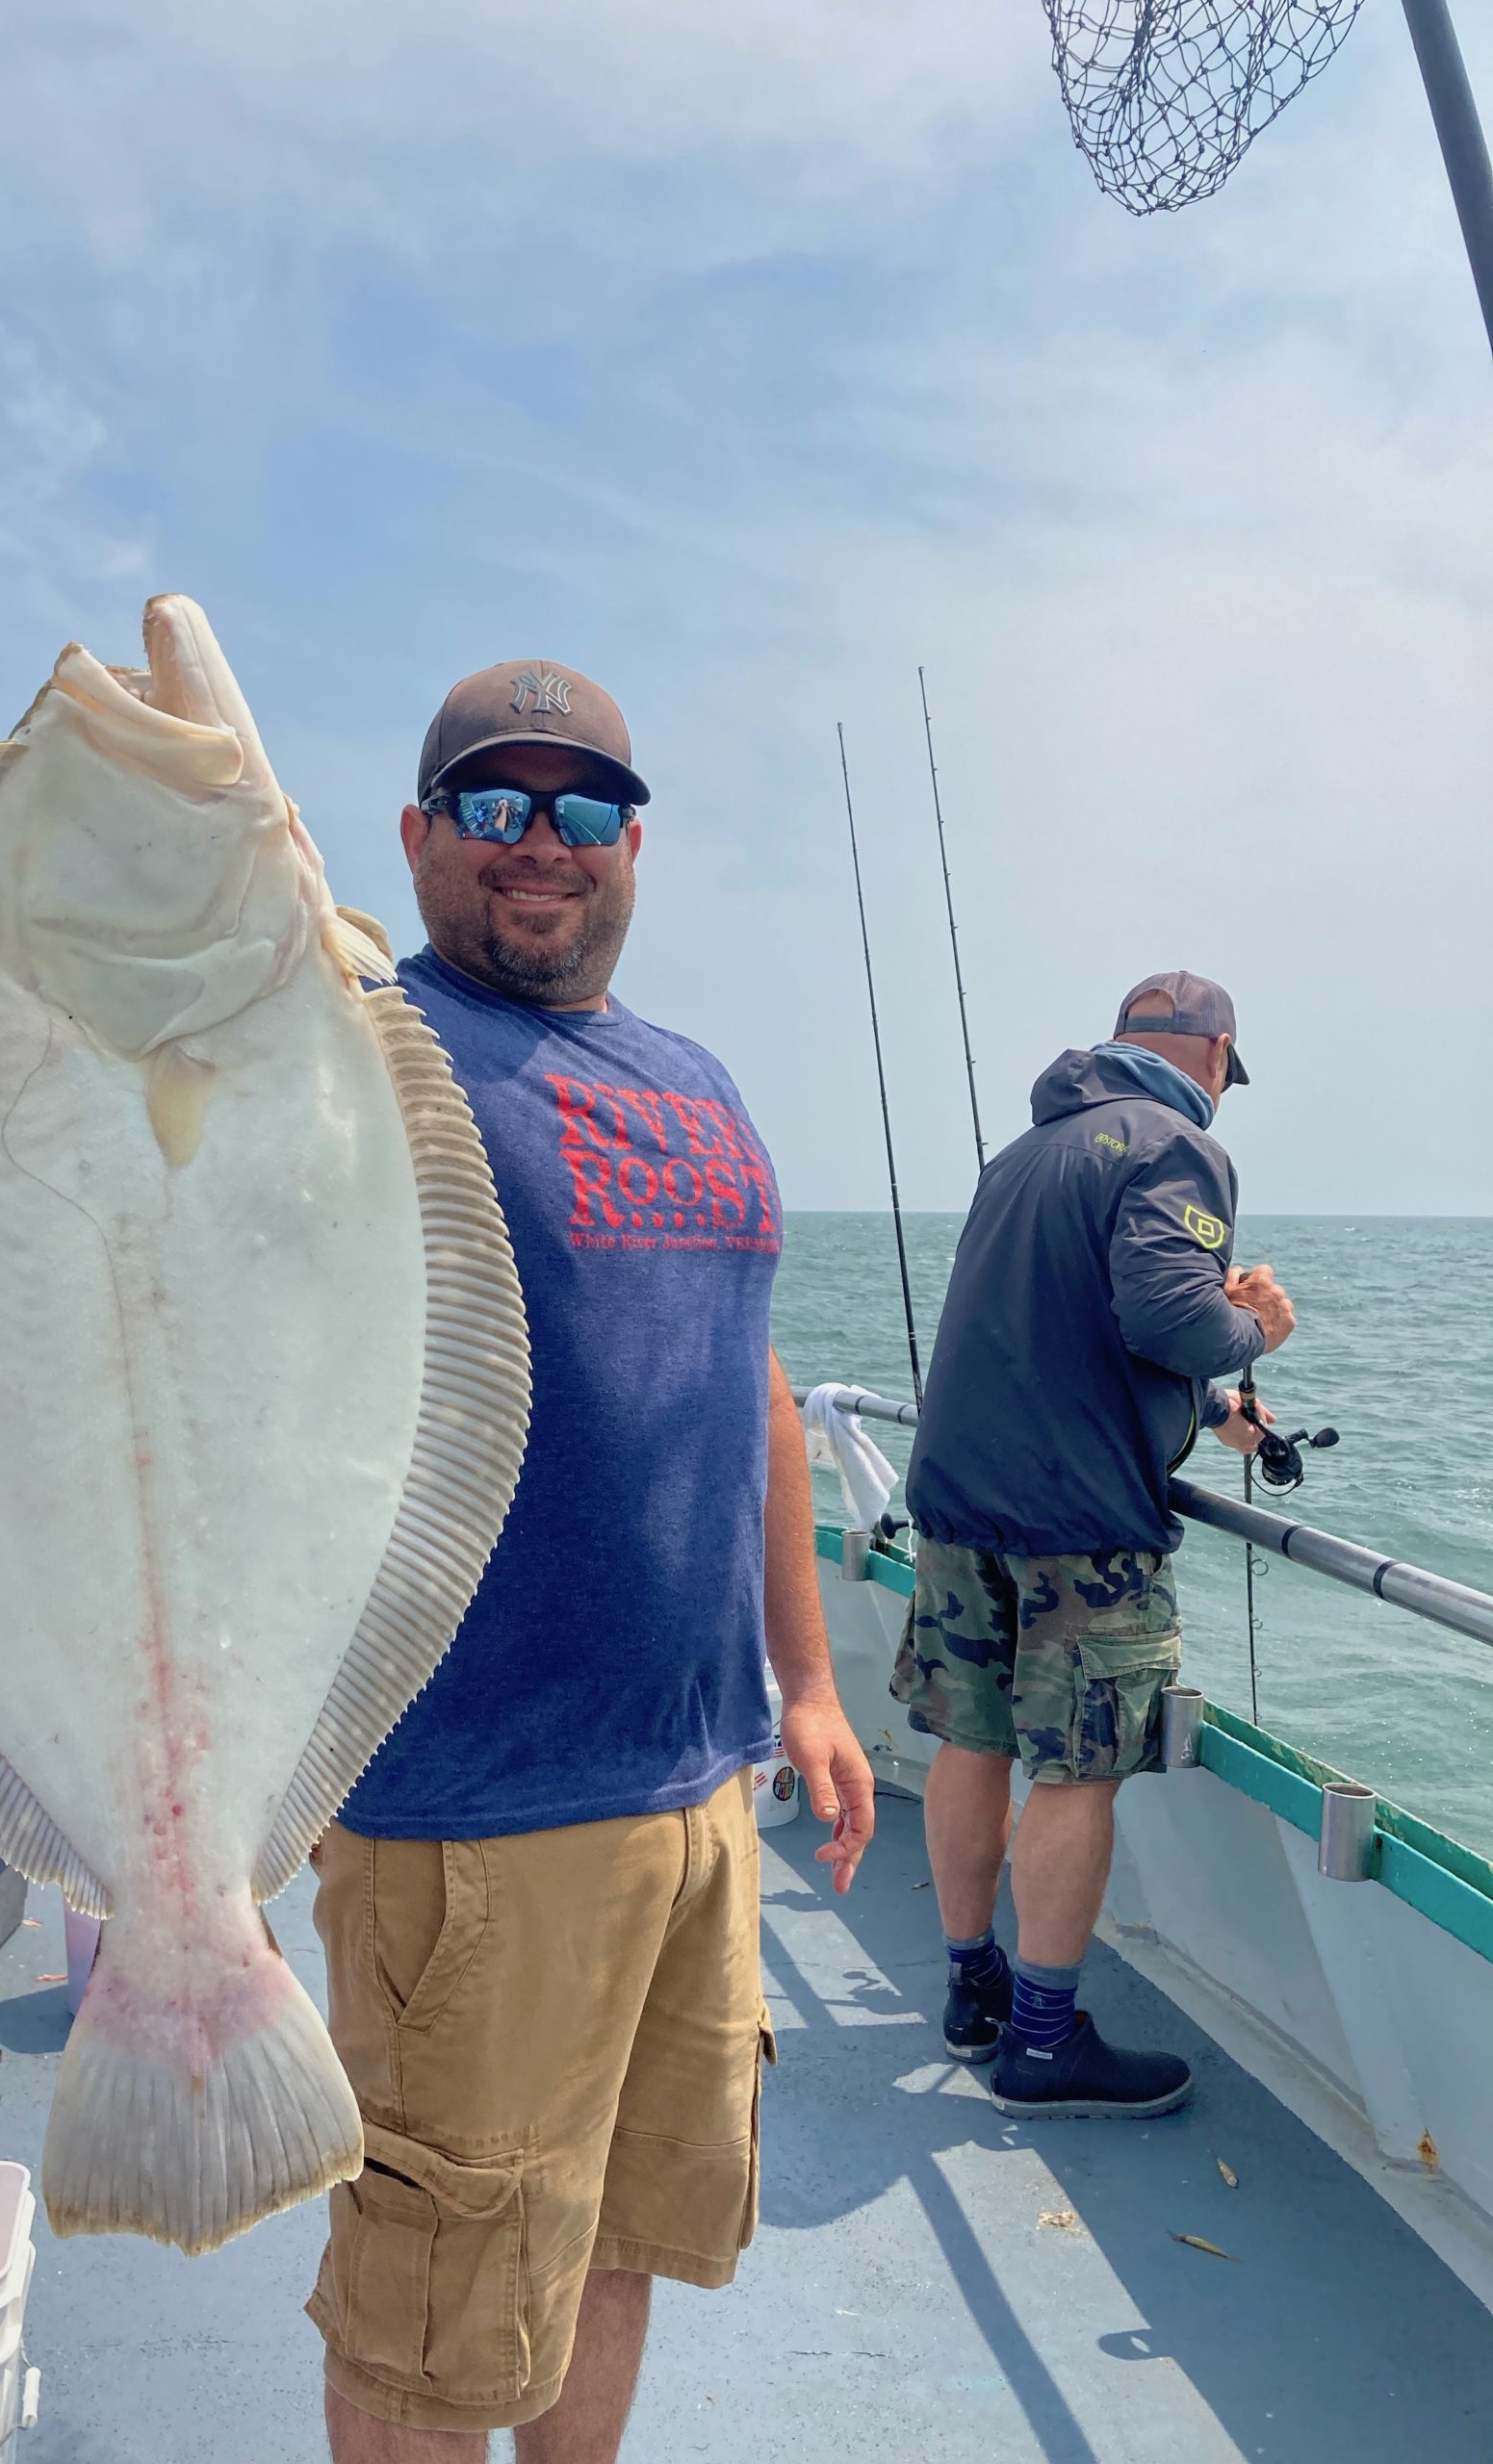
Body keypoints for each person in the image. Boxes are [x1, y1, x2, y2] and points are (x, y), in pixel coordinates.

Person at [305, 659, 877, 2461]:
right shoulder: (359, 1057)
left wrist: (807, 1680)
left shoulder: (693, 1079)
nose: (538, 846)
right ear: (416, 839)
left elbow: (756, 1389)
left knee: (617, 2248)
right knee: (433, 2318)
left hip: (697, 1796)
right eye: (492, 806)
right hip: (471, 1819)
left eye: (583, 809)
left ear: (638, 845)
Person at [891, 972, 1295, 2119]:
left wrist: (1217, 1411)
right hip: (1078, 1524)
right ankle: (1043, 2040)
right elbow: (1170, 1317)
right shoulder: (1177, 1145)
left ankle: (975, 1992)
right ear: (1217, 1051)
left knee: (971, 1743)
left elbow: (1070, 1322)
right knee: (1077, 1770)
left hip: (962, 1500)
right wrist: (1255, 1327)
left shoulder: (1027, 1154)